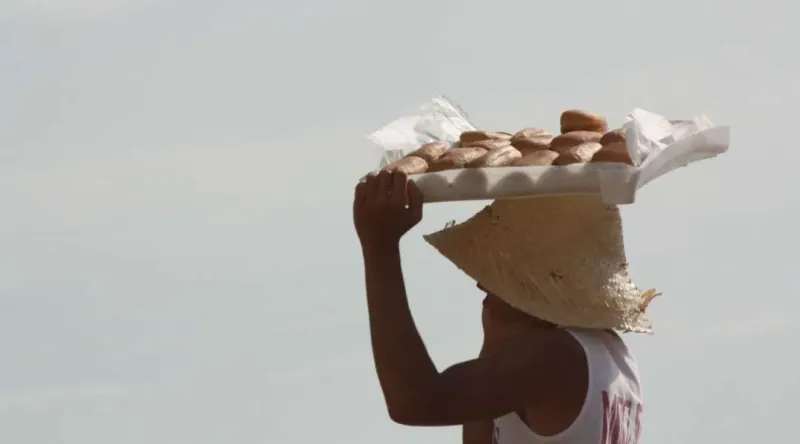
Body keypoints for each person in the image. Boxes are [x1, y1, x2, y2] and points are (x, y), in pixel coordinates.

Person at [353, 170, 656, 444]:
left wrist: (380, 247)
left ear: (539, 287)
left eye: (500, 273)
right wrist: (494, 338)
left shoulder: (555, 358)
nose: (482, 286)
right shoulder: (613, 359)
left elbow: (413, 400)